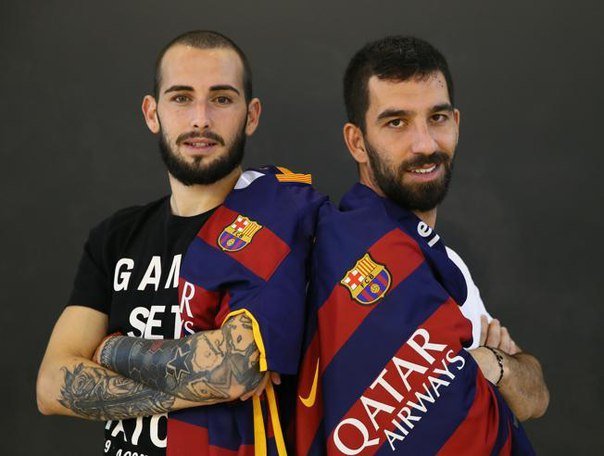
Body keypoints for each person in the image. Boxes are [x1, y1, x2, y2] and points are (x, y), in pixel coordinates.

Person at [37, 30, 324, 456]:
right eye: (181, 98)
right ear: (152, 113)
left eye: (222, 99)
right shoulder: (115, 236)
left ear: (251, 115)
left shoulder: (284, 220)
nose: (200, 119)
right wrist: (206, 379)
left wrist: (108, 350)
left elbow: (236, 369)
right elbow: (51, 386)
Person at [295, 36, 549, 455]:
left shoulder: (446, 264)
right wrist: (467, 368)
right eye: (396, 122)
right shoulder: (326, 256)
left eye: (437, 118)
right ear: (357, 142)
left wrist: (491, 364)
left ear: (457, 124)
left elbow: (535, 398)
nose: (426, 144)